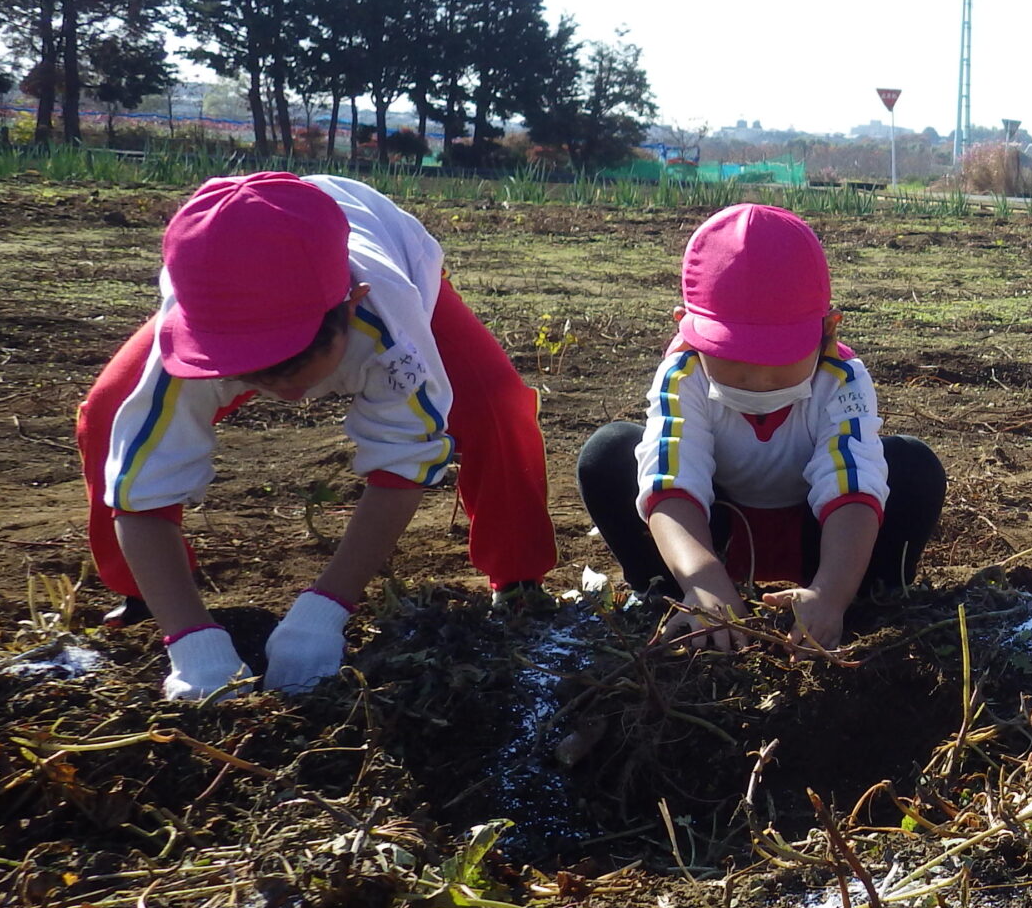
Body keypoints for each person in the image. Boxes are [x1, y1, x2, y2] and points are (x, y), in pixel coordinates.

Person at [77, 172, 556, 700]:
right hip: (233, 295)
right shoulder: (192, 341)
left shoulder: (389, 325)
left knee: (498, 406)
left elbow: (405, 460)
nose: (285, 393)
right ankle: (148, 594)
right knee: (108, 415)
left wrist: (326, 609)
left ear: (352, 305)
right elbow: (140, 485)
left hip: (386, 251)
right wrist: (191, 641)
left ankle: (518, 578)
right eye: (256, 375)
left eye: (296, 367)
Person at [575, 204, 945, 653]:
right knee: (610, 453)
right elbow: (671, 479)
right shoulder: (683, 372)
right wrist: (706, 584)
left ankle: (859, 605)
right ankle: (672, 597)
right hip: (715, 530)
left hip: (818, 536)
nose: (758, 379)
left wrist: (831, 592)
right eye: (732, 358)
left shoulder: (842, 377)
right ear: (687, 329)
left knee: (911, 464)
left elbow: (852, 484)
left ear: (828, 330)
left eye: (779, 359)